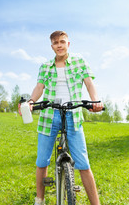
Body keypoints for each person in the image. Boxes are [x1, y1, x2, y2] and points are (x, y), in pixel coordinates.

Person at [19, 31, 103, 205]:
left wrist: (95, 101)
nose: (59, 45)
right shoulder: (45, 66)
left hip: (74, 115)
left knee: (83, 163)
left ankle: (96, 203)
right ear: (52, 46)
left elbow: (89, 83)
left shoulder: (80, 62)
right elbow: (39, 87)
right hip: (49, 115)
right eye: (55, 43)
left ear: (68, 44)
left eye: (62, 42)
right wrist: (32, 101)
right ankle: (40, 199)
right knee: (42, 160)